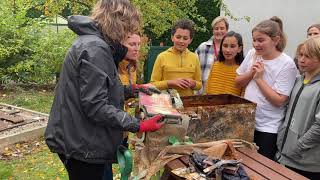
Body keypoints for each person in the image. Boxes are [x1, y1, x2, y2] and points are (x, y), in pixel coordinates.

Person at [44, 1, 164, 180]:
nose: (128, 34)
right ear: (119, 23)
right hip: (83, 145)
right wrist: (138, 124)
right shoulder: (96, 48)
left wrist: (131, 89)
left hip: (83, 138)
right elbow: (96, 106)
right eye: (128, 28)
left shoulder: (94, 43)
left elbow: (98, 90)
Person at [235, 16, 298, 160]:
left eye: (261, 40)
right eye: (254, 40)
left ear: (275, 40)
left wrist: (258, 79)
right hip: (246, 121)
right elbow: (238, 82)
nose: (256, 44)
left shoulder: (286, 64)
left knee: (261, 167)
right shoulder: (252, 54)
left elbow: (280, 100)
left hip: (268, 128)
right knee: (241, 163)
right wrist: (252, 72)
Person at [276, 35, 320, 180]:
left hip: (308, 164)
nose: (301, 59)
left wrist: (297, 147)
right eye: (300, 54)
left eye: (308, 56)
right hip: (287, 157)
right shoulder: (298, 80)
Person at [150, 19, 202, 97]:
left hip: (188, 104)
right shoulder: (162, 57)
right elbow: (153, 85)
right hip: (167, 104)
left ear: (190, 40)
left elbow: (199, 85)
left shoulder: (194, 57)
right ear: (172, 37)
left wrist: (193, 83)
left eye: (185, 38)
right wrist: (171, 83)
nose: (181, 41)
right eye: (178, 37)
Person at [195, 16, 229, 94]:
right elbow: (194, 69)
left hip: (223, 92)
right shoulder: (202, 47)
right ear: (213, 30)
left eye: (222, 28)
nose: (219, 31)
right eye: (216, 28)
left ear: (227, 30)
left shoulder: (231, 50)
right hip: (203, 92)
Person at [205, 31, 244, 96]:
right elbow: (207, 93)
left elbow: (243, 98)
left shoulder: (243, 71)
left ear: (239, 49)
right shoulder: (215, 66)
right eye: (225, 46)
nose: (228, 50)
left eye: (232, 46)